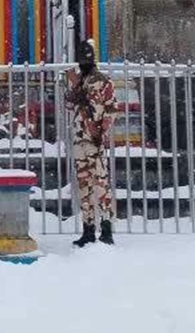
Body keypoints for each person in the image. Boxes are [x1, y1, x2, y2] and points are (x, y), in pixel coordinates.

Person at [64, 37, 116, 247]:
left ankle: (106, 227)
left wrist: (101, 129)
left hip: (94, 139)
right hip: (78, 138)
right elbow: (69, 104)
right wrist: (76, 86)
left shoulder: (103, 81)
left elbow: (111, 108)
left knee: (100, 183)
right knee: (84, 185)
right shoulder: (79, 81)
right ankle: (88, 228)